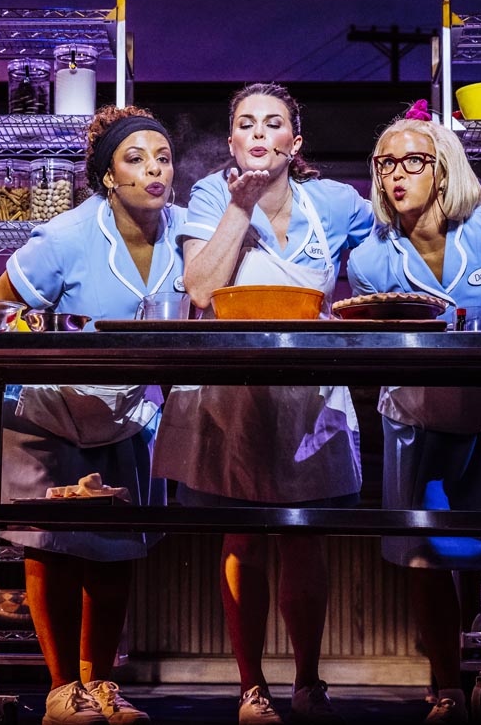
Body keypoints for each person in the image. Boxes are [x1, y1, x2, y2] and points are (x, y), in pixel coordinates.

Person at [0, 105, 185, 725]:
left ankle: (101, 683)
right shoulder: (66, 237)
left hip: (124, 416)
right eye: (134, 160)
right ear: (106, 176)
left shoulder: (186, 233)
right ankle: (61, 691)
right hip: (47, 413)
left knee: (113, 550)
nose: (152, 170)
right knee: (52, 547)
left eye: (162, 158)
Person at [153, 83, 374, 725]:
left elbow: (395, 230)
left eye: (272, 123)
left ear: (294, 143)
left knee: (305, 543)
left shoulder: (333, 203)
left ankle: (308, 680)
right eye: (245, 123)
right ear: (230, 143)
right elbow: (200, 288)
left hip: (311, 395)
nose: (257, 132)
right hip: (233, 396)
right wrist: (238, 208)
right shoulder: (207, 196)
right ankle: (251, 687)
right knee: (242, 538)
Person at [345, 100, 481, 724]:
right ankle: (444, 688)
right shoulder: (370, 259)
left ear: (443, 170)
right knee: (427, 559)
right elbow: (373, 329)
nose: (396, 174)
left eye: (412, 160)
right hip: (416, 415)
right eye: (385, 164)